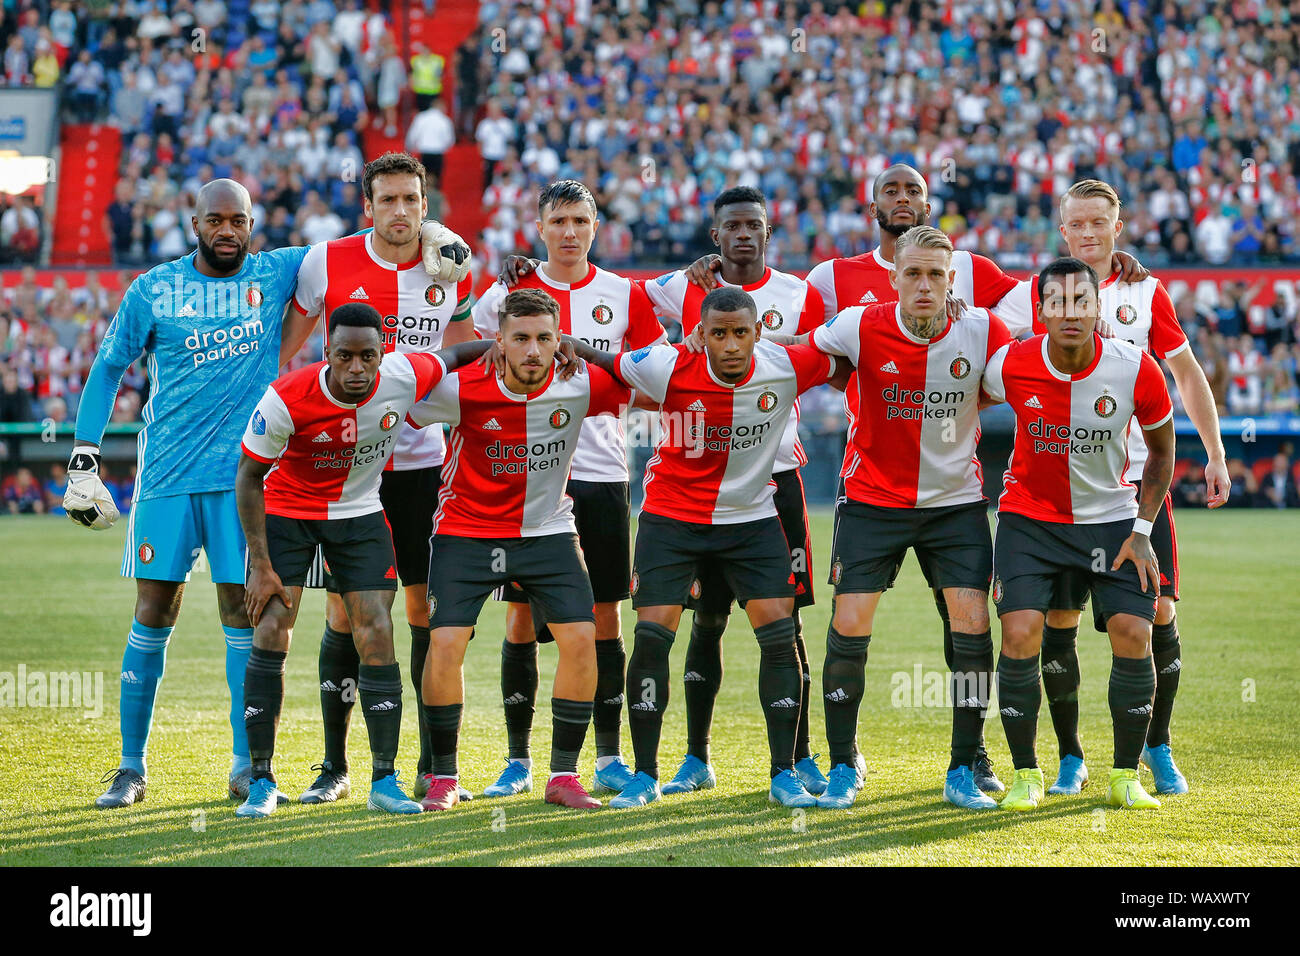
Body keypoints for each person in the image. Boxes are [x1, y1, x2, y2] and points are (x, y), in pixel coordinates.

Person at [67, 178, 471, 810]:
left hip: (246, 478)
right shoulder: (153, 288)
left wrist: (434, 235)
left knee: (247, 615)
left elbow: (360, 245)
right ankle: (129, 765)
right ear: (194, 222)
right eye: (214, 220)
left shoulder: (280, 270)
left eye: (239, 220)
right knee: (153, 611)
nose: (227, 230)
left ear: (252, 224)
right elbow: (108, 365)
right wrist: (83, 456)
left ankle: (243, 768)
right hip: (168, 474)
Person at [994, 179, 1228, 796]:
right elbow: (970, 333)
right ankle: (1070, 756)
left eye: (1101, 221)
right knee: (1057, 622)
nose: (1091, 232)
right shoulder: (1029, 298)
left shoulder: (1147, 292)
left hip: (1131, 494)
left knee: (1156, 613)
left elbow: (1186, 374)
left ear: (1117, 228)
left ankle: (1156, 747)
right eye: (1079, 223)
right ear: (1063, 229)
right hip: (1049, 497)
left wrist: (1216, 452)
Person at [574, 286, 845, 810]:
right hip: (672, 520)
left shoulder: (785, 364)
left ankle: (783, 773)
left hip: (752, 520)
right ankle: (645, 774)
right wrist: (566, 342)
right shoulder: (666, 364)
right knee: (653, 639)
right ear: (700, 332)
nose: (729, 345)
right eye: (717, 333)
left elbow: (852, 346)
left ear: (757, 332)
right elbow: (611, 361)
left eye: (740, 332)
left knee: (779, 636)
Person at [770, 226, 1012, 809]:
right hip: (872, 500)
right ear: (893, 277)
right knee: (850, 625)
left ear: (953, 280)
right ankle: (844, 763)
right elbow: (805, 352)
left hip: (954, 503)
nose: (924, 285)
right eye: (913, 274)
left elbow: (1021, 380)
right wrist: (731, 348)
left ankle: (964, 763)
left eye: (936, 275)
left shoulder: (984, 330)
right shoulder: (860, 323)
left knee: (973, 625)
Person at [233, 303, 490, 817]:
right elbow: (247, 478)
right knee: (272, 627)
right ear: (326, 352)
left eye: (367, 356)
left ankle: (383, 780)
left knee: (376, 630)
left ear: (382, 354)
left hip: (359, 512)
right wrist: (260, 564)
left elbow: (461, 351)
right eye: (345, 356)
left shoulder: (404, 374)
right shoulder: (286, 398)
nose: (356, 368)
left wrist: (510, 347)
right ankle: (261, 780)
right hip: (290, 511)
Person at [284, 152, 477, 806]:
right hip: (341, 468)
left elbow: (463, 356)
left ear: (425, 207)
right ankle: (335, 765)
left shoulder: (450, 265)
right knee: (344, 611)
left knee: (422, 608)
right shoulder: (326, 262)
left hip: (420, 465)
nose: (400, 212)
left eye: (411, 201)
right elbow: (289, 353)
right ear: (367, 206)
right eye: (387, 200)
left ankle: (430, 765)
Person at [472, 180, 666, 799]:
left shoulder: (625, 295)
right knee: (522, 618)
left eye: (580, 220)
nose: (569, 232)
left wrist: (594, 370)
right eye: (558, 220)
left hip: (601, 474)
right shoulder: (509, 293)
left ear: (596, 226)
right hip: (524, 478)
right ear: (539, 225)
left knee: (604, 617)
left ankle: (607, 756)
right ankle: (518, 760)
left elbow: (652, 380)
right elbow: (480, 362)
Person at [409, 288, 637, 812]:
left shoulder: (581, 382)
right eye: (520, 339)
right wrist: (463, 351)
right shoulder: (461, 388)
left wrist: (588, 349)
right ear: (501, 342)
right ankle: (443, 777)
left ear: (559, 342)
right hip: (466, 530)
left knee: (583, 636)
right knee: (445, 642)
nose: (532, 350)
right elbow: (398, 385)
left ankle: (563, 776)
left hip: (547, 530)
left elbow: (649, 379)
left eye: (543, 339)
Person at [642, 185, 829, 796]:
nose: (744, 234)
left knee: (786, 625)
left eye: (755, 224)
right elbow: (618, 304)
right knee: (707, 623)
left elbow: (835, 354)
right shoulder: (682, 286)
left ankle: (798, 758)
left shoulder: (800, 293)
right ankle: (696, 757)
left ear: (768, 231)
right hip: (694, 488)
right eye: (732, 226)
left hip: (773, 482)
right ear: (715, 233)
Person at [982, 257, 1176, 812]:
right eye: (1058, 302)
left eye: (1082, 301)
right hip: (1030, 521)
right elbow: (961, 386)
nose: (1071, 312)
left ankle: (1124, 775)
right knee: (1020, 635)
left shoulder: (1135, 367)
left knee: (1134, 634)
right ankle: (1026, 774)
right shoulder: (1012, 363)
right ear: (1040, 310)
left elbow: (1162, 451)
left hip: (1114, 520)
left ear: (1098, 307)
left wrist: (1142, 529)